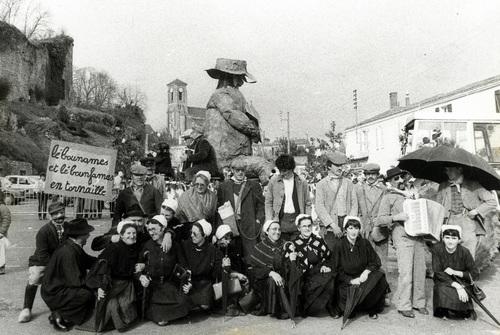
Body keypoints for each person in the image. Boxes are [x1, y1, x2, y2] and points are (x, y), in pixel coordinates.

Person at [204, 58, 271, 184]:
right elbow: (234, 116)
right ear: (230, 76)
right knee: (264, 166)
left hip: (235, 157)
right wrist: (254, 131)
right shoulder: (221, 95)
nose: (241, 82)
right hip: (229, 161)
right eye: (240, 77)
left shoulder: (228, 94)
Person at [377, 167, 427, 318]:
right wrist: (396, 217)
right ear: (390, 182)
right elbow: (379, 220)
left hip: (418, 235)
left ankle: (419, 303)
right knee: (405, 272)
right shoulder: (388, 197)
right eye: (395, 179)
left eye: (401, 178)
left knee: (420, 270)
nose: (399, 181)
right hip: (401, 235)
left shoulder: (413, 194)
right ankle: (404, 305)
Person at [40, 218, 96, 331]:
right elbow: (75, 281)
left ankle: (67, 315)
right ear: (80, 235)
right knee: (86, 294)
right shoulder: (69, 252)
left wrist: (103, 260)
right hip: (55, 292)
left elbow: (87, 260)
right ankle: (60, 313)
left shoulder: (72, 245)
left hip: (57, 287)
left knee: (89, 292)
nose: (89, 235)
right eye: (86, 233)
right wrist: (96, 283)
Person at [18, 201, 67, 323]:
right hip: (42, 261)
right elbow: (42, 254)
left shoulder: (69, 228)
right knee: (35, 278)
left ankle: (63, 308)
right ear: (50, 216)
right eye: (56, 214)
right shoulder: (44, 231)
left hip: (62, 261)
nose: (59, 216)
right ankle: (26, 308)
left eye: (62, 212)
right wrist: (54, 268)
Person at [435, 164, 497, 259]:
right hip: (448, 222)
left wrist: (476, 211)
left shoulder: (473, 185)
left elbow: (492, 202)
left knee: (467, 256)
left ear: (459, 169)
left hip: (467, 222)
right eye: (446, 170)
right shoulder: (443, 186)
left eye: (450, 169)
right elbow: (437, 207)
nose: (447, 172)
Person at [137, 216, 190, 326]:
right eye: (149, 230)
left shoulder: (175, 245)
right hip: (153, 286)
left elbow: (184, 266)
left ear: (163, 229)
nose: (151, 233)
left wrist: (188, 282)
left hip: (169, 285)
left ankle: (164, 314)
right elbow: (138, 266)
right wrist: (141, 276)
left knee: (184, 303)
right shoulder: (147, 246)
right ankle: (160, 314)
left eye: (154, 229)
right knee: (161, 319)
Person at [334, 216, 390, 320]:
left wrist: (366, 272)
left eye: (356, 228)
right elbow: (336, 269)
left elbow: (376, 261)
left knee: (379, 276)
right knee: (350, 313)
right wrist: (350, 280)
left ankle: (371, 308)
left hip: (363, 278)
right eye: (350, 228)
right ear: (345, 230)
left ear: (359, 230)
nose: (353, 231)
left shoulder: (364, 243)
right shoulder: (339, 245)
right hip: (347, 281)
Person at [217, 160, 265, 267]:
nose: (240, 173)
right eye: (237, 170)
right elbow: (218, 208)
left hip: (249, 226)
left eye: (242, 170)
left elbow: (261, 206)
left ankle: (250, 280)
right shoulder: (224, 186)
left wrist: (258, 221)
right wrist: (221, 228)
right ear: (232, 171)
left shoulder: (253, 185)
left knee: (250, 258)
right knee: (233, 257)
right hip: (231, 226)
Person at [285, 214, 335, 317]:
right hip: (303, 279)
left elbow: (329, 257)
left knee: (331, 275)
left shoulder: (319, 241)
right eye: (304, 226)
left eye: (309, 226)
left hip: (318, 275)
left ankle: (330, 306)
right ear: (299, 228)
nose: (307, 228)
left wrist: (325, 265)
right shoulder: (293, 244)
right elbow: (290, 266)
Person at [95, 220, 140, 332]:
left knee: (125, 305)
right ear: (121, 235)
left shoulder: (133, 247)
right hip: (113, 283)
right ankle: (117, 323)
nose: (132, 236)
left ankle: (119, 322)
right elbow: (104, 267)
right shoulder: (114, 248)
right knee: (114, 303)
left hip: (126, 283)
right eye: (128, 233)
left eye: (134, 233)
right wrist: (101, 285)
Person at [249, 220, 293, 319]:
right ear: (267, 231)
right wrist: (270, 272)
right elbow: (254, 269)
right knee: (272, 280)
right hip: (264, 281)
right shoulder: (259, 247)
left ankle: (285, 308)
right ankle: (273, 310)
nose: (277, 232)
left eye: (279, 229)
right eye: (274, 229)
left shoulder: (285, 244)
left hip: (284, 277)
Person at [315, 151, 358, 251]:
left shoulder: (348, 183)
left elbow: (354, 203)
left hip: (346, 221)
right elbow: (319, 207)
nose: (340, 168)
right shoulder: (321, 184)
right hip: (330, 224)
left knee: (348, 253)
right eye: (337, 165)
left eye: (341, 165)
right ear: (329, 166)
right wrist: (333, 225)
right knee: (332, 253)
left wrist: (350, 223)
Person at [432, 225, 477, 320]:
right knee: (442, 290)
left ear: (459, 240)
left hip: (462, 281)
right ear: (443, 239)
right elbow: (437, 271)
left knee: (461, 309)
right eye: (447, 238)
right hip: (444, 280)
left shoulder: (465, 252)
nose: (450, 241)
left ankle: (463, 310)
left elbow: (474, 272)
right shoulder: (437, 249)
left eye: (454, 238)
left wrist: (456, 272)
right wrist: (457, 286)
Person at [177, 219, 221, 311]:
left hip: (204, 283)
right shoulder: (186, 245)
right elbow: (182, 266)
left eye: (195, 233)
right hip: (188, 281)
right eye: (191, 232)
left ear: (204, 235)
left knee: (205, 306)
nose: (192, 235)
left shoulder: (212, 250)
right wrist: (188, 282)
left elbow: (214, 273)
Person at [265, 155, 311, 241]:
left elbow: (307, 203)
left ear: (291, 169)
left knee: (297, 250)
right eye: (280, 170)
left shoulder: (302, 181)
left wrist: (307, 220)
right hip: (280, 222)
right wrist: (269, 221)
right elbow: (268, 202)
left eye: (284, 171)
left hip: (297, 222)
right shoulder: (273, 181)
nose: (282, 173)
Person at [355, 163, 389, 272]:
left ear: (378, 175)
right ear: (364, 175)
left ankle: (382, 287)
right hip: (364, 229)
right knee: (365, 262)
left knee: (381, 262)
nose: (370, 176)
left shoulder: (384, 190)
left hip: (379, 230)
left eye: (373, 174)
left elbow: (387, 210)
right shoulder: (359, 189)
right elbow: (356, 209)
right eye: (368, 174)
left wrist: (378, 223)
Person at [213, 224, 249, 316]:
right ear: (220, 238)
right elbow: (218, 271)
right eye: (226, 238)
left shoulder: (228, 249)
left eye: (229, 239)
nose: (228, 241)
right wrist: (235, 275)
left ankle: (236, 305)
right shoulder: (214, 251)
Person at [177, 171, 218, 240]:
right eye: (197, 184)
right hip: (189, 230)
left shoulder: (212, 197)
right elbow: (180, 215)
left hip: (206, 231)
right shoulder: (185, 196)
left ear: (207, 184)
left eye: (202, 185)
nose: (199, 187)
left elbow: (213, 217)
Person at [0, 191, 11, 274]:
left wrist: (1, 232)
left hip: (0, 234)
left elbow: (6, 220)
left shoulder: (2, 207)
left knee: (1, 251)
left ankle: (1, 267)